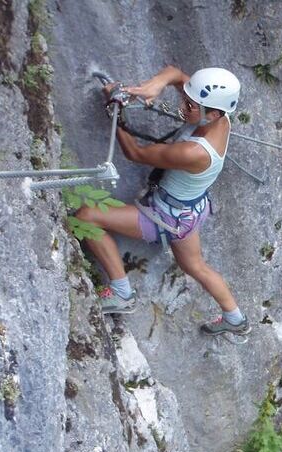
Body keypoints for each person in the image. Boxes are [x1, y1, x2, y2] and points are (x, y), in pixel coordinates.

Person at [76, 66, 250, 336]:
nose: (184, 106)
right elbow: (176, 75)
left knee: (86, 216)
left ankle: (121, 293)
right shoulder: (220, 117)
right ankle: (236, 319)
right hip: (190, 213)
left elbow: (135, 153)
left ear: (212, 113)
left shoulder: (194, 153)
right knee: (194, 266)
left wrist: (114, 109)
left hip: (164, 217)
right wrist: (155, 85)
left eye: (191, 106)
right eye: (186, 100)